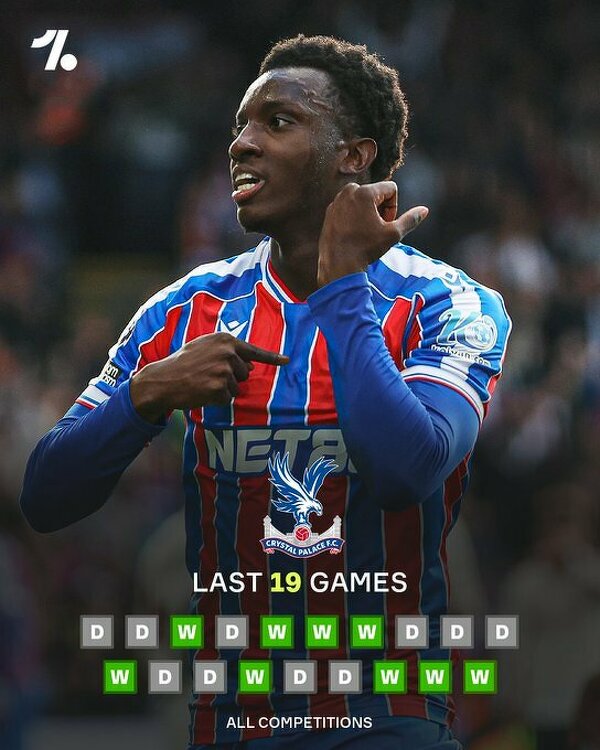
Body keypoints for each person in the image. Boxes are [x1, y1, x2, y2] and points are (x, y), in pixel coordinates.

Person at [20, 35, 511, 750]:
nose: (242, 144)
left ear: (354, 156)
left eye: (278, 122)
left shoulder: (449, 305)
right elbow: (44, 495)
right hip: (232, 723)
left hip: (384, 718)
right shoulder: (182, 312)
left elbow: (406, 470)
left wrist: (342, 287)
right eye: (241, 126)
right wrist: (144, 397)